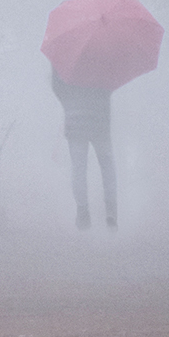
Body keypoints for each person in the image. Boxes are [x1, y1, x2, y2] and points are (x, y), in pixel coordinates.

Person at [51, 70, 117, 230]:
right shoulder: (103, 57)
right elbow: (113, 83)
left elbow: (57, 87)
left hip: (75, 119)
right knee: (107, 166)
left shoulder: (66, 59)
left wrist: (69, 102)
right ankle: (111, 211)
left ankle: (82, 212)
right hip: (100, 119)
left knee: (79, 168)